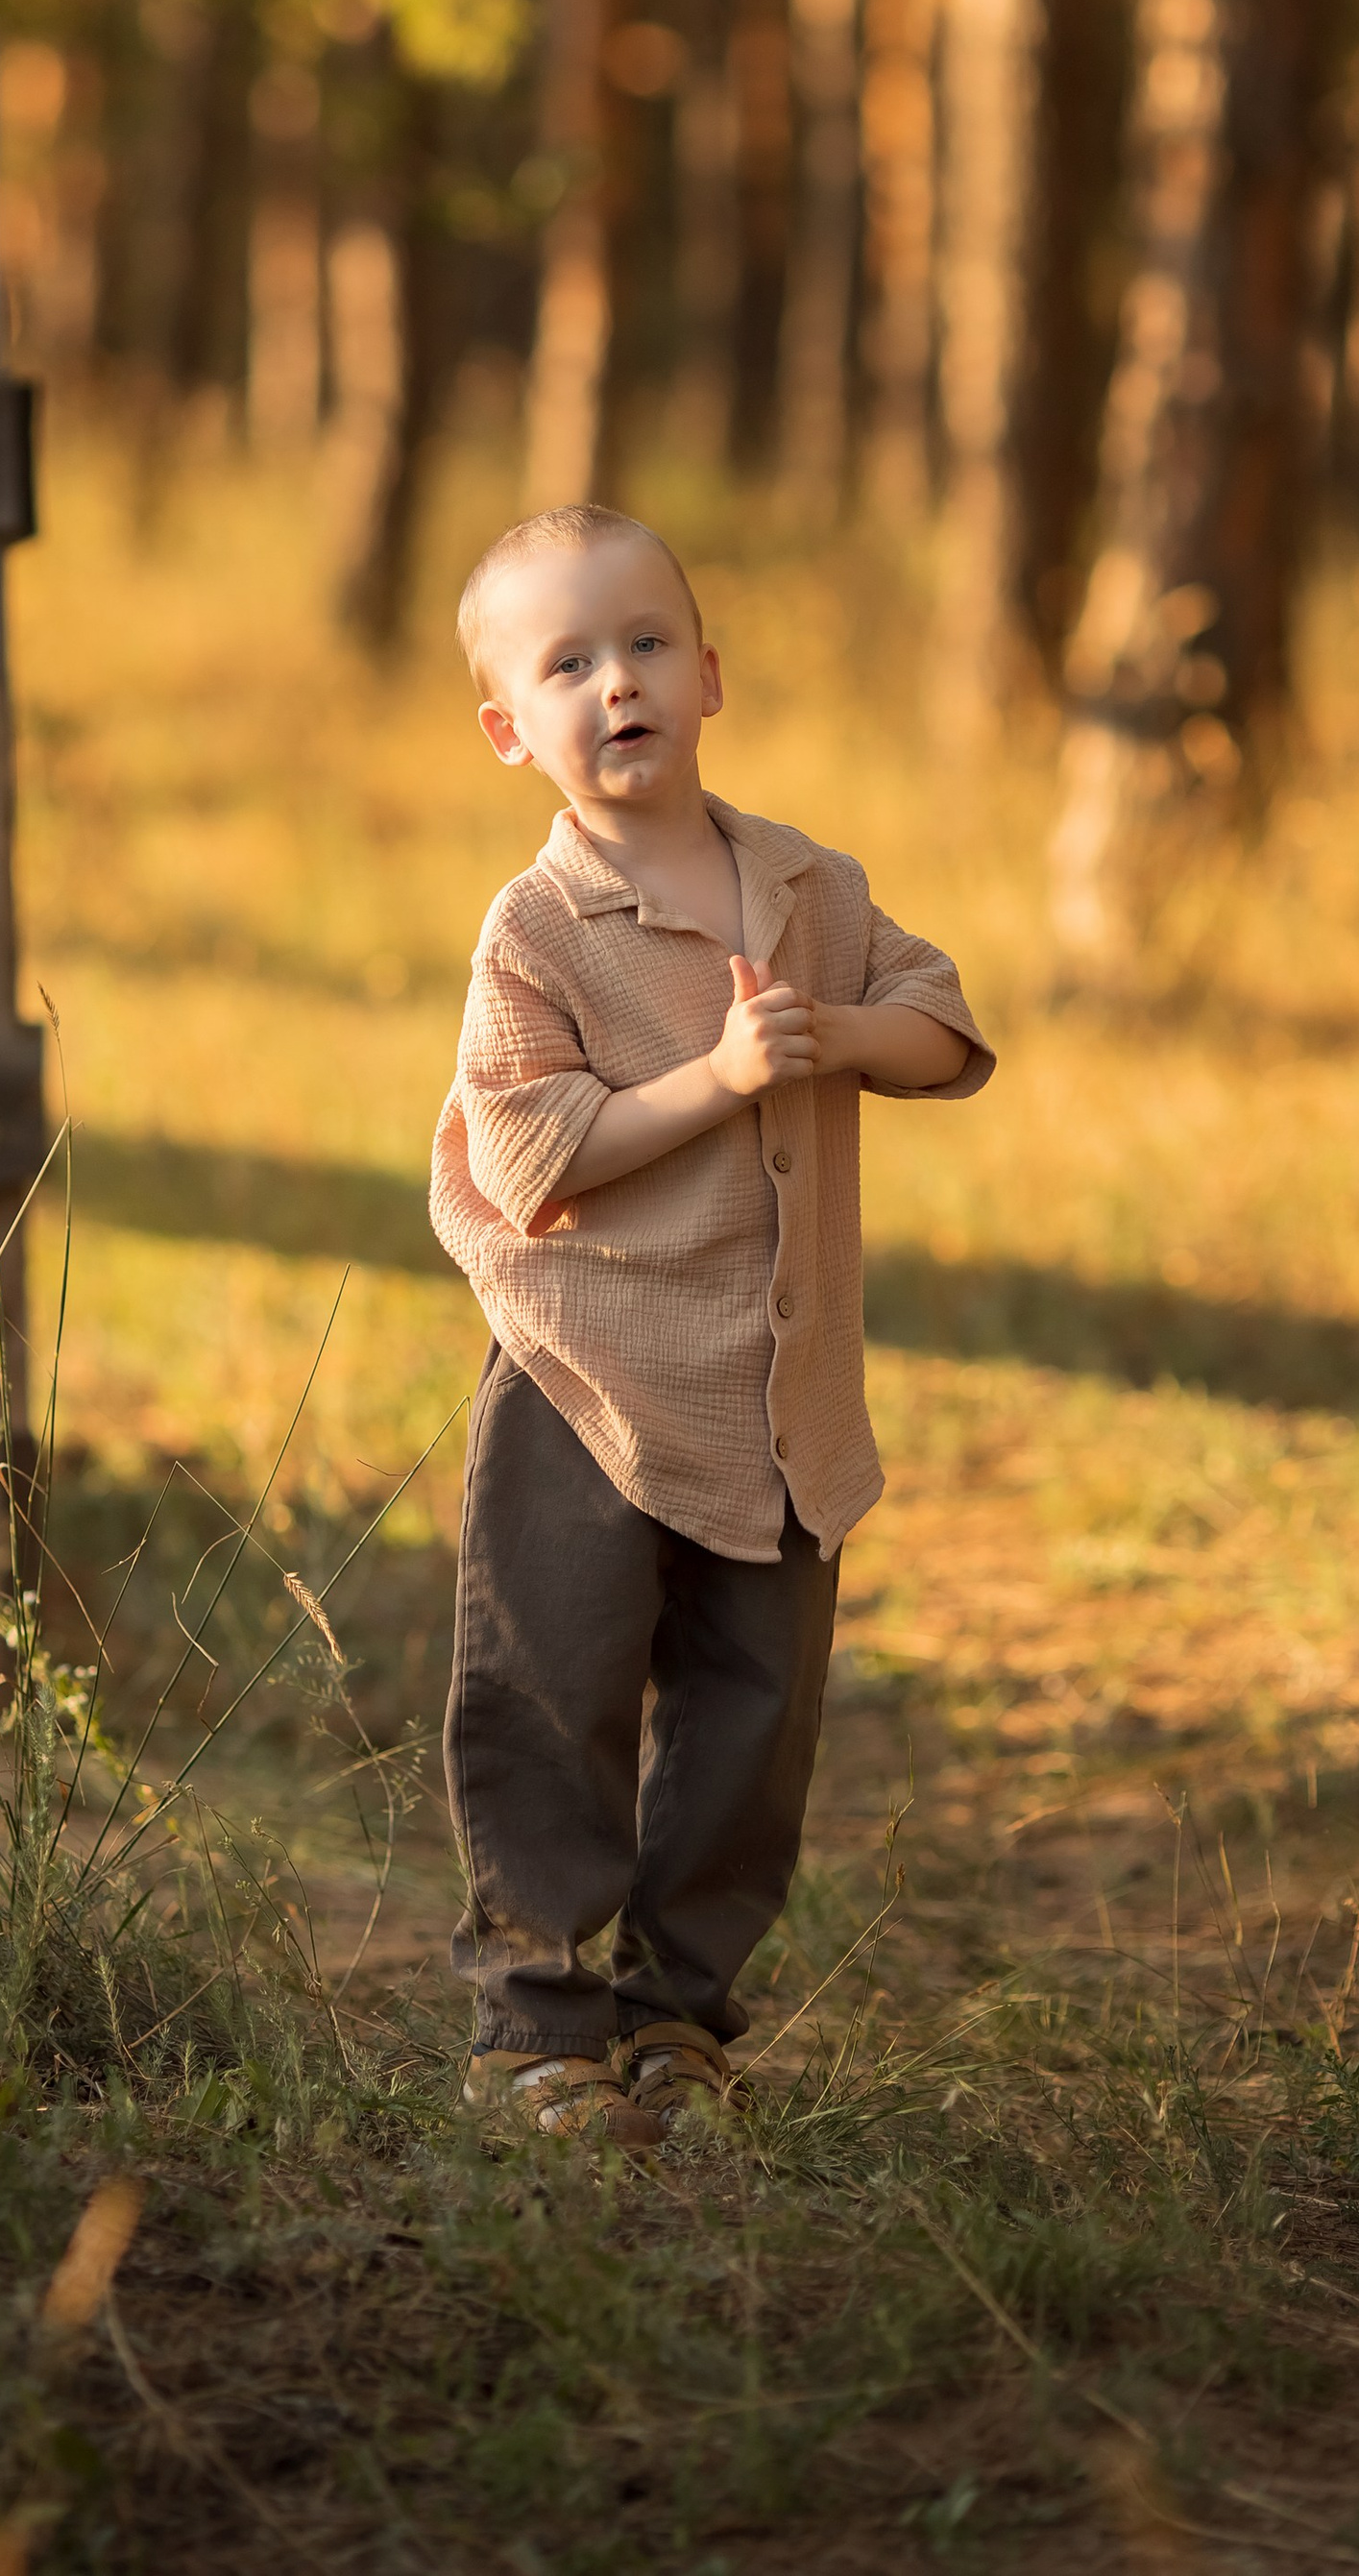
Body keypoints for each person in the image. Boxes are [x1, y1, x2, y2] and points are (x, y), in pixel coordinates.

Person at [429, 501, 994, 2146]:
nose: (618, 683)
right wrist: (724, 1076)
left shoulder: (808, 888)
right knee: (558, 1685)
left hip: (778, 1382)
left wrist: (846, 1038)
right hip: (588, 1376)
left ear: (711, 676)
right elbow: (532, 1153)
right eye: (569, 663)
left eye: (648, 643)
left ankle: (680, 2019)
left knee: (757, 1710)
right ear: (508, 729)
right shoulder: (536, 932)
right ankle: (536, 2025)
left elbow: (946, 1028)